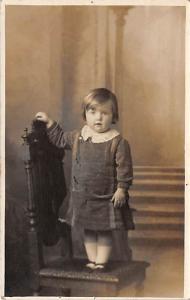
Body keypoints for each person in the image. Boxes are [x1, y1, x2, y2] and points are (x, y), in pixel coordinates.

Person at [35, 87, 134, 272]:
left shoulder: (118, 142)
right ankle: (92, 260)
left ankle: (101, 262)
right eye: (93, 111)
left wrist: (122, 188)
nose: (98, 117)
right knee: (88, 230)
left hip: (106, 199)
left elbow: (125, 167)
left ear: (113, 116)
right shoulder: (78, 137)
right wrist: (49, 123)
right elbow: (59, 139)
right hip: (83, 198)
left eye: (104, 113)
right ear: (85, 114)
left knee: (104, 231)